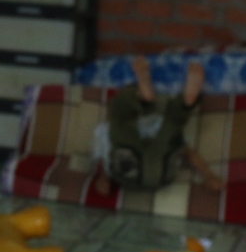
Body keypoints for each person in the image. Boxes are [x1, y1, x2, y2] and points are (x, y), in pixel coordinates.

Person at [92, 56, 223, 196]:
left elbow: (102, 158)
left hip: (130, 172)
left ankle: (147, 98)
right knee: (173, 124)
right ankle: (184, 104)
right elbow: (187, 152)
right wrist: (209, 175)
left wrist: (103, 178)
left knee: (119, 113)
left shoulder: (109, 129)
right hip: (160, 171)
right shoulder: (151, 122)